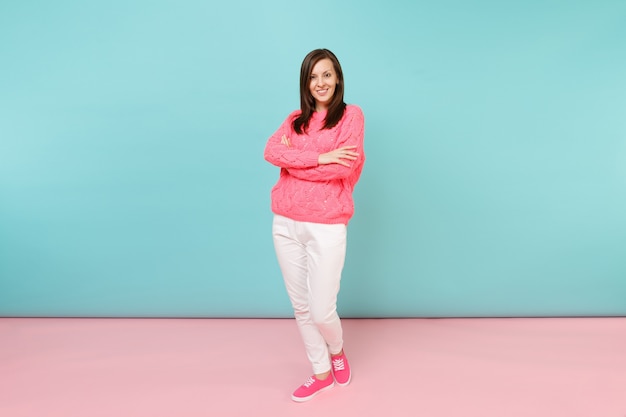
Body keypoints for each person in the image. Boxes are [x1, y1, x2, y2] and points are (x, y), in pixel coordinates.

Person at [264, 48, 365, 402]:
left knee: (322, 307)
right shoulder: (294, 120)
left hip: (326, 224)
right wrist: (320, 156)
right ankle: (320, 371)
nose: (320, 82)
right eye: (312, 76)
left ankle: (337, 350)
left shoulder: (351, 116)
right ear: (305, 83)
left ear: (337, 78)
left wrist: (297, 163)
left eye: (326, 74)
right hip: (285, 223)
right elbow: (272, 152)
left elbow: (343, 168)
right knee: (302, 306)